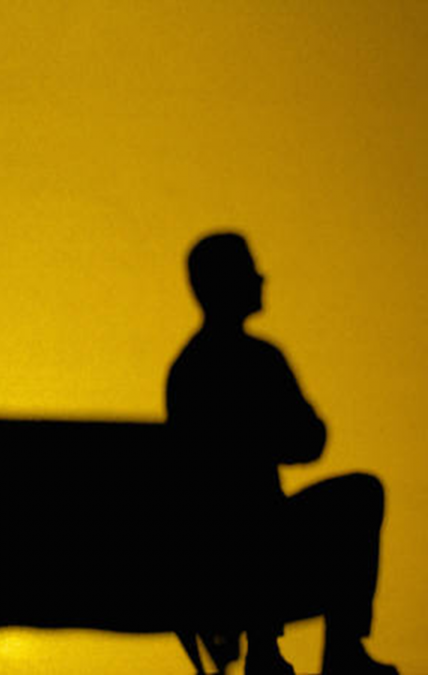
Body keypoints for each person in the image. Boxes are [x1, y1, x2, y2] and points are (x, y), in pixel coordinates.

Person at [166, 232, 396, 675]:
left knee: (251, 518)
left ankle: (266, 649)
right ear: (226, 283)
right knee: (361, 495)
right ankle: (340, 649)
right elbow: (308, 439)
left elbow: (305, 440)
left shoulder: (188, 368)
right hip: (253, 544)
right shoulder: (259, 359)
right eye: (249, 270)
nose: (261, 279)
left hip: (209, 558)